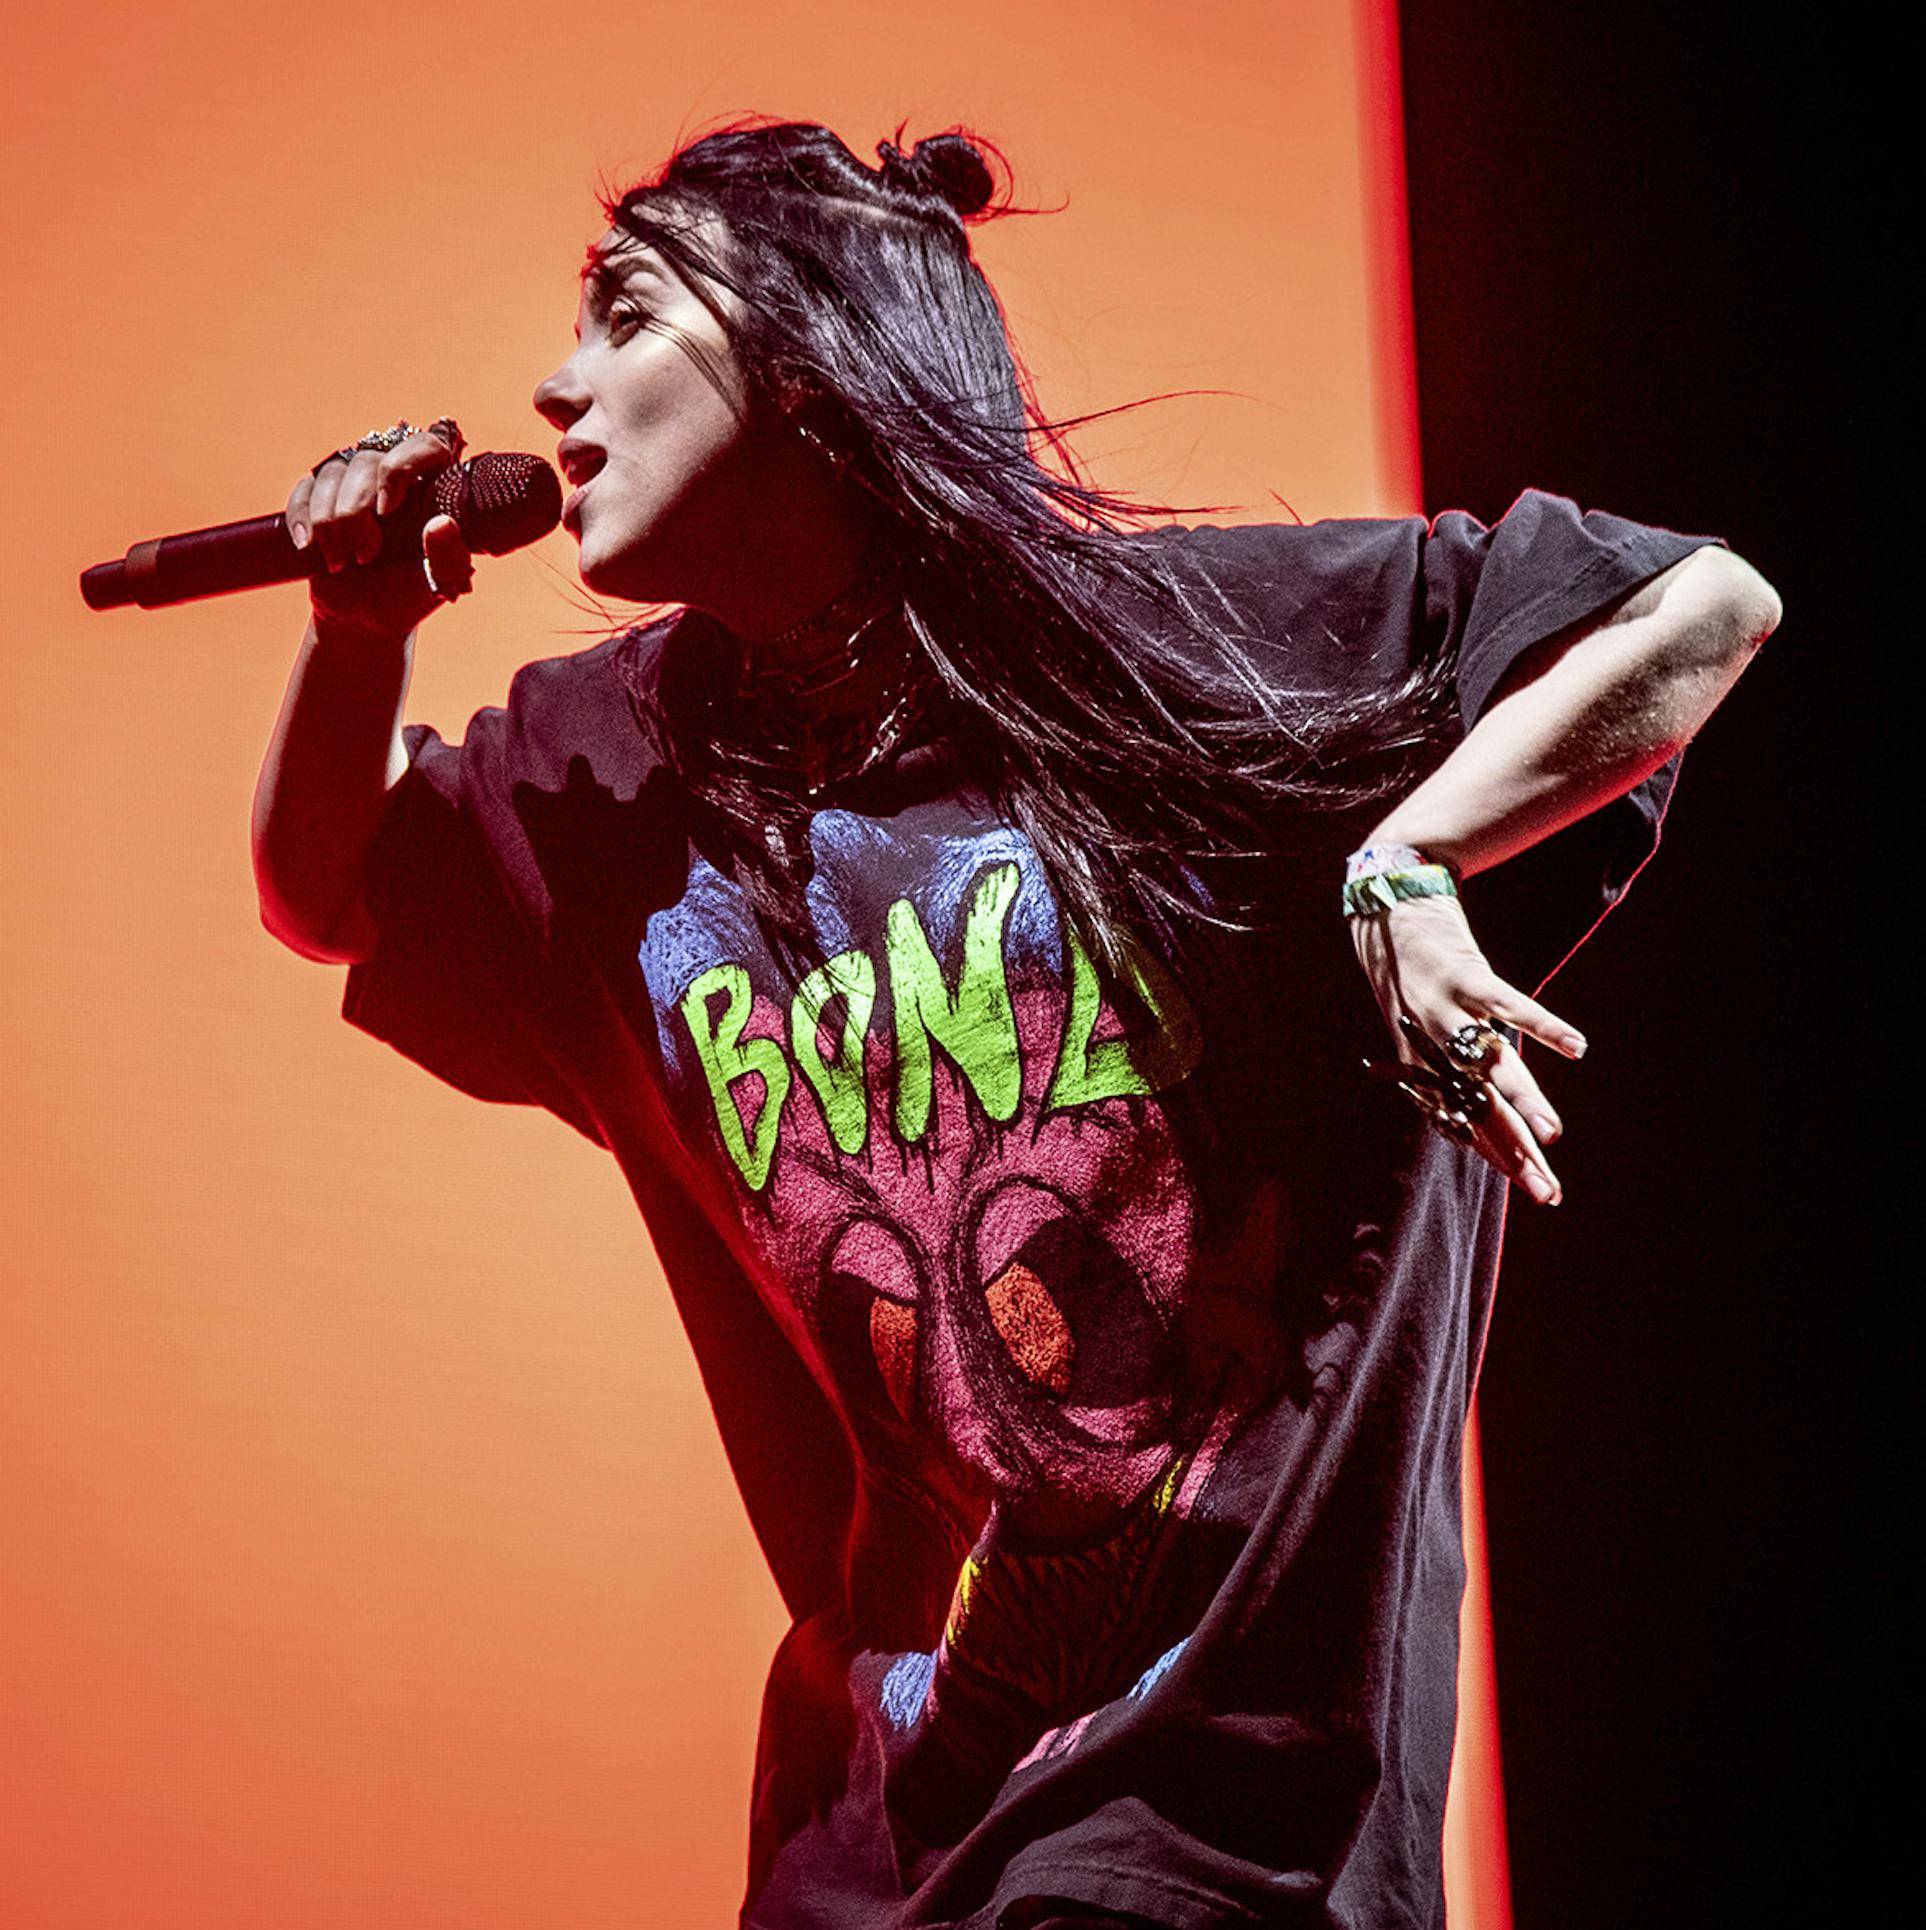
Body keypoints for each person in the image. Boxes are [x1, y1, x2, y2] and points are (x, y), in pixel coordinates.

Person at [252, 119, 1778, 1929]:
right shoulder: (610, 768)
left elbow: (1701, 601)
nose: (553, 381)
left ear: (814, 354)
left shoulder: (1178, 650)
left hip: (1214, 1824)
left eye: (625, 314)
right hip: (870, 1842)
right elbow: (330, 891)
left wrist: (1413, 857)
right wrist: (358, 636)